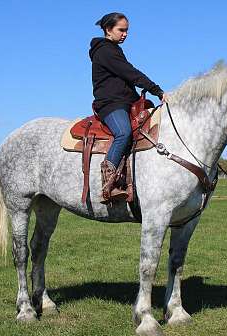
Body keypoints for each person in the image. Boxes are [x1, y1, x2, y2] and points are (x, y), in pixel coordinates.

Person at [89, 12, 168, 203]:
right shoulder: (105, 51)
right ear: (108, 30)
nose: (125, 34)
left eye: (127, 31)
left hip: (125, 103)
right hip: (110, 104)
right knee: (123, 132)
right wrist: (156, 90)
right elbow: (130, 73)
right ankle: (109, 183)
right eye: (121, 30)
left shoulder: (114, 49)